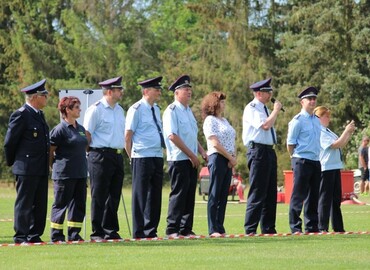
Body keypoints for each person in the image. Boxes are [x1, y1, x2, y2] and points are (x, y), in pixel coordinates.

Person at [4, 79, 50, 244]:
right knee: (24, 203)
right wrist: (15, 163)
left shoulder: (39, 115)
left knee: (39, 203)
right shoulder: (21, 115)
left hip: (40, 167)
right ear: (35, 97)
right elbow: (10, 143)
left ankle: (34, 235)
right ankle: (21, 236)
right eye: (44, 95)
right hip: (26, 167)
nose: (47, 97)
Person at [163, 75, 207, 237]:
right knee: (179, 194)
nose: (189, 92)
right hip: (179, 159)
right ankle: (172, 229)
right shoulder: (171, 111)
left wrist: (201, 151)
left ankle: (185, 228)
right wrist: (191, 155)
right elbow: (172, 136)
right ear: (176, 92)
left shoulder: (188, 111)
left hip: (191, 158)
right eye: (185, 90)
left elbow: (191, 136)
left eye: (190, 90)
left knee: (189, 194)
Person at [83, 76, 126, 241]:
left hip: (116, 155)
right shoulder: (96, 109)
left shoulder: (119, 110)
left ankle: (110, 230)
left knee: (114, 195)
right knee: (99, 195)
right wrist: (91, 155)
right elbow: (87, 134)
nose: (121, 92)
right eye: (118, 89)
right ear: (109, 91)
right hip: (99, 155)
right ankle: (97, 232)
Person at [125, 76, 165, 239]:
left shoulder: (156, 108)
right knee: (140, 195)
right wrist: (131, 157)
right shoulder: (136, 109)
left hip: (156, 155)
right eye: (156, 90)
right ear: (146, 91)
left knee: (155, 195)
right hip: (141, 156)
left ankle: (151, 230)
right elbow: (128, 136)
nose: (159, 92)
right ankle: (139, 231)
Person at [242, 77, 282, 234]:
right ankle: (250, 228)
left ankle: (268, 228)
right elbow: (265, 125)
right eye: (267, 92)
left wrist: (273, 111)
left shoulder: (264, 108)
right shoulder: (252, 108)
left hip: (268, 151)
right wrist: (276, 110)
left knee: (271, 192)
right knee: (258, 190)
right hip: (258, 151)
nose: (270, 95)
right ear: (259, 93)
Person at [49, 96, 89, 242]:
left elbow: (84, 146)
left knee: (78, 205)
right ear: (67, 110)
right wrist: (54, 167)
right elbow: (50, 151)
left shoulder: (81, 129)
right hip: (64, 174)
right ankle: (57, 235)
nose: (80, 110)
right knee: (60, 205)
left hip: (80, 173)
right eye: (77, 107)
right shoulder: (59, 130)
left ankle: (74, 235)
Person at [314, 106, 355, 232]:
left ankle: (338, 227)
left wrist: (349, 133)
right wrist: (346, 131)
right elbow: (335, 145)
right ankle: (322, 227)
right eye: (326, 116)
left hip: (335, 166)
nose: (329, 119)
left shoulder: (328, 131)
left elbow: (341, 144)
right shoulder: (319, 131)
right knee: (325, 199)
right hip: (326, 168)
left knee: (336, 199)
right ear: (319, 117)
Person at [201, 91, 236, 237]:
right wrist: (229, 156)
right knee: (215, 193)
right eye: (221, 102)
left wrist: (233, 158)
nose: (223, 104)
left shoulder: (225, 121)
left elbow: (232, 140)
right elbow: (215, 142)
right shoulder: (210, 120)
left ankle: (220, 226)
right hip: (217, 157)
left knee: (223, 194)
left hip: (228, 159)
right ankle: (213, 228)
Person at [287, 86, 321, 233]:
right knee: (298, 195)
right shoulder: (297, 121)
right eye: (309, 99)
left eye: (314, 99)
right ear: (302, 102)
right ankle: (295, 227)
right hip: (301, 160)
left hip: (315, 160)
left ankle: (311, 226)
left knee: (313, 196)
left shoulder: (317, 120)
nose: (312, 101)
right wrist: (294, 158)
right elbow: (290, 143)